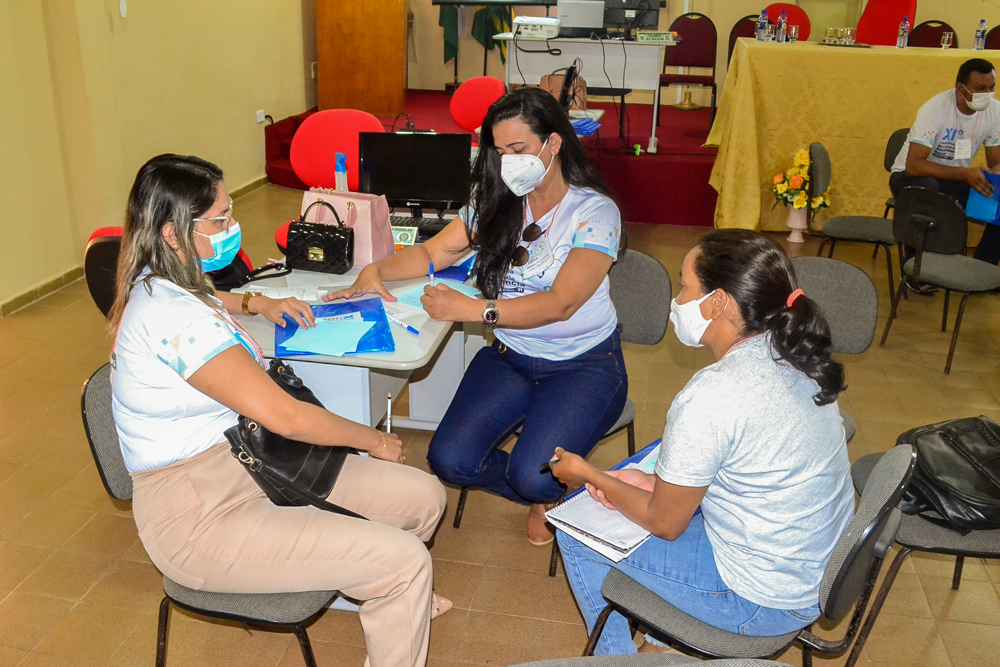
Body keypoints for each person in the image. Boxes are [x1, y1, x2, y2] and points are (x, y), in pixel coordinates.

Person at [110, 154, 449, 667]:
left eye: (230, 213)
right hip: (197, 515)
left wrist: (254, 303)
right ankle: (390, 585)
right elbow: (286, 417)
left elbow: (206, 299)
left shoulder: (169, 281)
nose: (232, 228)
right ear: (173, 233)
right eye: (218, 220)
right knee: (403, 561)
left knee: (424, 499)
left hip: (253, 463)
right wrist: (373, 439)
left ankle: (378, 590)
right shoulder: (165, 314)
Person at [326, 87, 627, 545]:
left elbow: (560, 303)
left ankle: (547, 491)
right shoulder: (497, 200)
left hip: (583, 365)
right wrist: (375, 269)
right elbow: (432, 251)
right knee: (451, 461)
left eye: (519, 149)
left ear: (554, 143)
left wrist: (473, 309)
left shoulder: (596, 212)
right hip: (511, 355)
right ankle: (545, 486)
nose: (508, 162)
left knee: (535, 476)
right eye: (500, 151)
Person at [549, 230, 854, 655]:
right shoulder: (796, 352)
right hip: (809, 569)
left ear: (718, 301)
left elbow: (665, 523)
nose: (678, 299)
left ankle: (621, 661)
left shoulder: (712, 394)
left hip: (760, 602)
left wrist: (586, 473)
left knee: (577, 534)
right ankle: (664, 641)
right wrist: (650, 484)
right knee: (650, 488)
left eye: (685, 286)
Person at [889, 58, 1000, 268]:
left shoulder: (995, 111)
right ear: (961, 88)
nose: (987, 94)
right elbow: (914, 166)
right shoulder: (935, 108)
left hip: (955, 180)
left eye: (992, 87)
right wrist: (965, 174)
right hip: (908, 179)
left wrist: (993, 177)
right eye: (980, 88)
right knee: (929, 187)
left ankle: (983, 269)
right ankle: (915, 268)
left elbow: (997, 163)